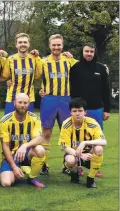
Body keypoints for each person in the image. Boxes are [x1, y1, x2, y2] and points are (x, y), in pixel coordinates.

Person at [38, 34, 77, 175]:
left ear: (62, 45)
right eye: (54, 45)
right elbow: (30, 75)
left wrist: (103, 68)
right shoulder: (42, 62)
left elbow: (85, 67)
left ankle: (67, 164)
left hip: (65, 100)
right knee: (46, 132)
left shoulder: (69, 60)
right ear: (49, 46)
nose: (56, 47)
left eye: (59, 45)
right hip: (48, 99)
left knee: (66, 133)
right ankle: (44, 165)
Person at [0, 93, 46, 188]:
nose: (22, 105)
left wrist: (25, 146)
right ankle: (19, 168)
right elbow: (5, 146)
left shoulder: (34, 118)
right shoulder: (5, 120)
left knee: (40, 150)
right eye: (20, 102)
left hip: (27, 154)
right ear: (14, 103)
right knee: (6, 183)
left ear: (29, 104)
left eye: (25, 102)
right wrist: (14, 167)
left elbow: (39, 138)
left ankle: (32, 177)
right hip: (11, 156)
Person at [59, 98, 106, 188]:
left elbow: (103, 141)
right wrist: (79, 155)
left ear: (85, 112)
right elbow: (66, 147)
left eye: (80, 110)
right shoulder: (66, 124)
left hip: (89, 153)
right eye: (74, 111)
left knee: (99, 148)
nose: (77, 113)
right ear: (70, 112)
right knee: (70, 160)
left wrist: (84, 142)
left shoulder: (92, 123)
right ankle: (74, 174)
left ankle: (90, 179)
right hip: (74, 154)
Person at [70, 42, 111, 130]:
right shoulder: (75, 68)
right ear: (82, 52)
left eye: (91, 51)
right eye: (87, 51)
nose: (89, 54)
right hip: (79, 110)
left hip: (97, 109)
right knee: (79, 137)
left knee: (97, 138)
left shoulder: (101, 68)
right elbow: (70, 89)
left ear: (94, 53)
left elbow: (106, 89)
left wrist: (107, 109)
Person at [3, 33, 42, 114]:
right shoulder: (10, 59)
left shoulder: (35, 58)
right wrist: (9, 81)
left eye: (25, 42)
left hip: (29, 98)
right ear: (16, 45)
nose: (22, 44)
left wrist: (37, 56)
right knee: (8, 124)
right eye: (20, 42)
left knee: (28, 125)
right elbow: (5, 75)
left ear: (29, 44)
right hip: (12, 98)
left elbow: (37, 76)